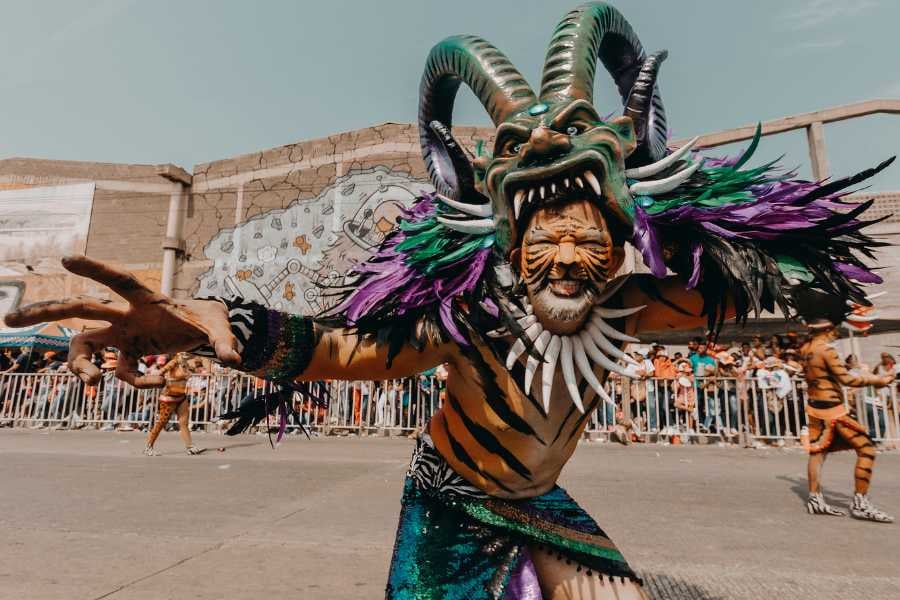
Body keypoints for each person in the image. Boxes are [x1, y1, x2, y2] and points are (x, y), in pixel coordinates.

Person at [6, 3, 893, 597]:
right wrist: (206, 322)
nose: (564, 258)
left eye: (587, 236)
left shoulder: (639, 303)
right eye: (543, 235)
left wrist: (801, 272)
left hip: (540, 500)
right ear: (507, 238)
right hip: (452, 509)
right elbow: (344, 350)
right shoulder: (469, 311)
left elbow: (763, 292)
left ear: (622, 240)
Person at [796, 291, 895, 523]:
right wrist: (877, 380)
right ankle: (860, 502)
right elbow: (847, 380)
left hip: (814, 407)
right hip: (832, 410)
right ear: (829, 328)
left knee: (817, 453)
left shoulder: (806, 349)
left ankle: (815, 499)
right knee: (867, 449)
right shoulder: (826, 350)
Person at [144, 353, 203, 456]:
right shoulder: (173, 362)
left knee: (184, 423)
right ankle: (148, 447)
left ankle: (190, 447)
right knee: (161, 423)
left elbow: (194, 366)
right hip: (168, 398)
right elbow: (160, 372)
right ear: (180, 353)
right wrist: (165, 381)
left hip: (181, 397)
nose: (189, 354)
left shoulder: (186, 364)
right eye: (186, 352)